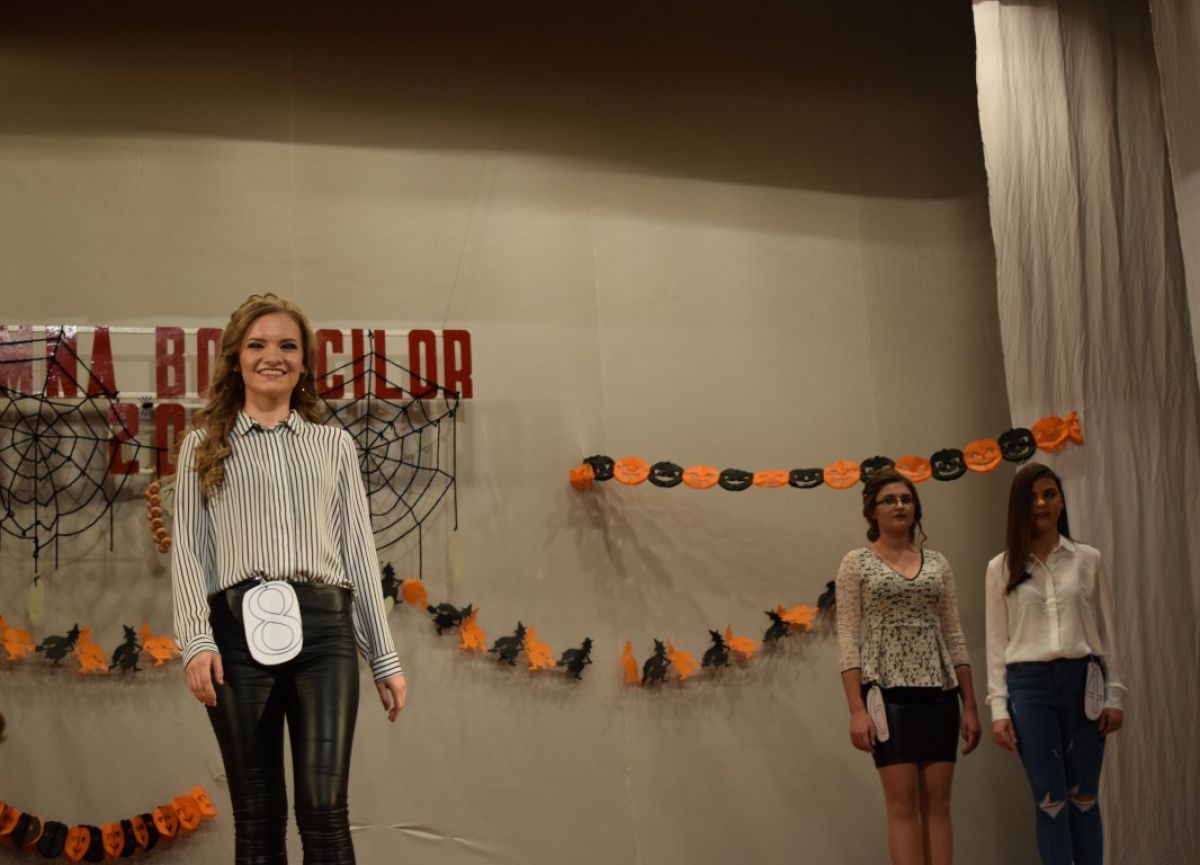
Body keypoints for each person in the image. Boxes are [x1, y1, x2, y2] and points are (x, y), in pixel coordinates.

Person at [172, 293, 407, 865]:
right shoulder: (202, 445)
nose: (271, 356)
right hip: (235, 637)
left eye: (287, 346)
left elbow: (358, 552)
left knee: (325, 811)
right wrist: (196, 641)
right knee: (257, 816)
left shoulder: (333, 446)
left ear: (304, 362)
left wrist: (384, 658)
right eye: (257, 345)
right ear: (235, 358)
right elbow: (189, 552)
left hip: (325, 636)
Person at [836, 468, 980, 865]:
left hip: (940, 695)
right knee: (902, 804)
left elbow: (954, 633)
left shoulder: (937, 563)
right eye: (889, 500)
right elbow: (847, 638)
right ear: (872, 511)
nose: (899, 505)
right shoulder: (856, 563)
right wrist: (856, 710)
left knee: (939, 804)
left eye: (906, 499)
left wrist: (969, 704)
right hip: (887, 697)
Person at [985, 463, 1124, 865]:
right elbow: (997, 642)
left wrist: (1115, 694)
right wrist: (999, 708)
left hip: (1084, 683)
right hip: (1029, 688)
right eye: (1031, 497)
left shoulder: (1087, 559)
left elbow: (1108, 632)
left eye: (1049, 494)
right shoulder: (1000, 567)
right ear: (1018, 506)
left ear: (1061, 501)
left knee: (1084, 798)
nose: (1041, 504)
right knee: (1050, 801)